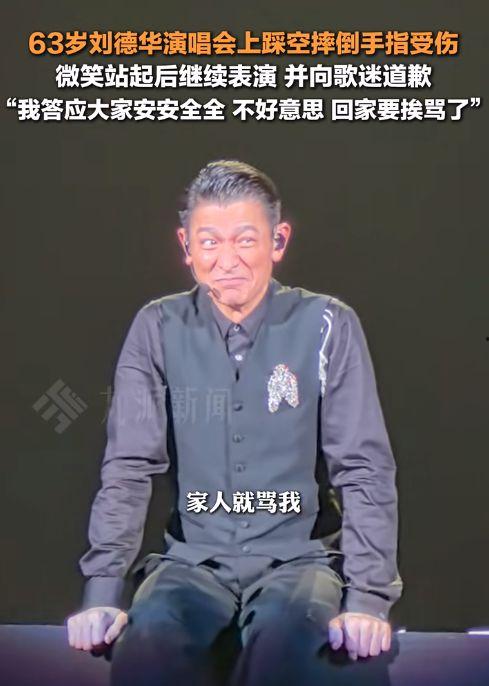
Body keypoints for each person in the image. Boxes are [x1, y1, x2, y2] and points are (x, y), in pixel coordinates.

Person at [66, 159, 403, 685]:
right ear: (186, 246)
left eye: (245, 240)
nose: (227, 260)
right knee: (150, 643)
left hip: (299, 560)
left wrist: (367, 599)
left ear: (278, 240)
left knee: (290, 643)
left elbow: (363, 468)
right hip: (192, 563)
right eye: (210, 242)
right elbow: (128, 466)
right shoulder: (157, 326)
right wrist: (103, 591)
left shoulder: (327, 324)